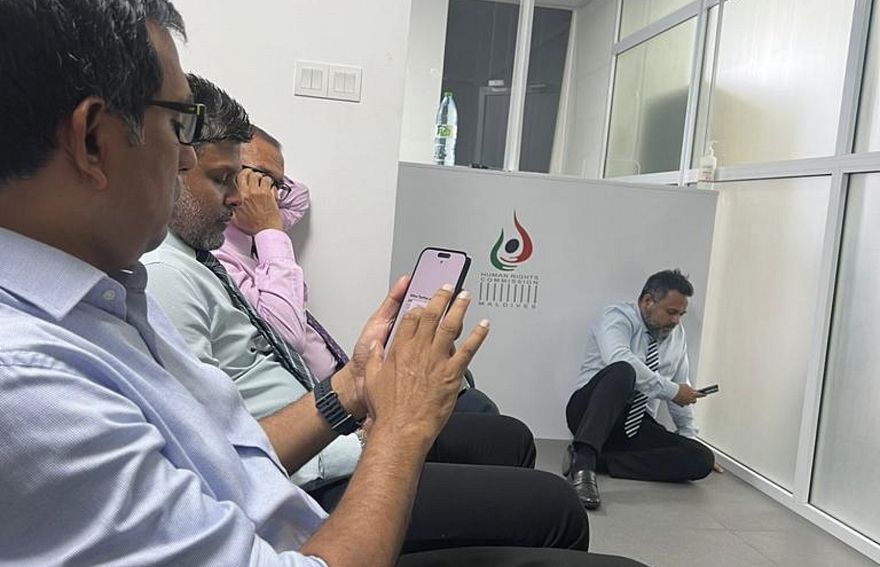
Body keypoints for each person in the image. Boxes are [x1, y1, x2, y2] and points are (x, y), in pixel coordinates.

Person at [0, 2, 647, 565]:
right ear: (93, 140)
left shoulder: (112, 292)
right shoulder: (32, 385)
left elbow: (223, 454)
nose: (187, 157)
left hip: (295, 515)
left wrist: (351, 388)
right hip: (306, 534)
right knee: (559, 515)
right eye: (179, 124)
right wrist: (400, 428)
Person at [143, 74, 592, 552]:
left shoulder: (202, 250)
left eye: (249, 180)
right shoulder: (174, 270)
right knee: (554, 504)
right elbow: (221, 456)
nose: (242, 196)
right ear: (175, 165)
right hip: (312, 476)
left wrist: (356, 388)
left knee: (506, 440)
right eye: (224, 179)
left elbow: (299, 198)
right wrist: (369, 434)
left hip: (324, 435)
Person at [214, 125, 499, 414]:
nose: (270, 195)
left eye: (274, 185)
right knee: (491, 421)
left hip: (344, 381)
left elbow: (300, 197)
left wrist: (264, 186)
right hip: (321, 408)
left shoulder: (252, 228)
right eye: (258, 180)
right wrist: (269, 230)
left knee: (471, 398)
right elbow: (285, 336)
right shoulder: (223, 254)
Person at [564, 269, 716, 510]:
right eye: (671, 312)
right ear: (647, 302)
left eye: (681, 314)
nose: (676, 321)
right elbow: (618, 358)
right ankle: (584, 465)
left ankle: (600, 461)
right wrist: (672, 391)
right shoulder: (617, 317)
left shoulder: (677, 336)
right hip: (589, 412)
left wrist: (688, 438)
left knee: (702, 458)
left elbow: (681, 386)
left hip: (634, 423)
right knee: (623, 371)